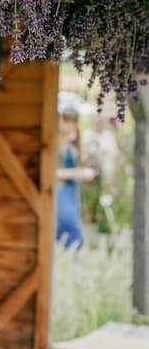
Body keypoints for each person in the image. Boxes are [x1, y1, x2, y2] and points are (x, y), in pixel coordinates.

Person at [56, 101, 96, 249]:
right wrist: (77, 172)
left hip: (72, 191)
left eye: (73, 120)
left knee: (73, 235)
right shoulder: (54, 142)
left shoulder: (74, 142)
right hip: (59, 190)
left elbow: (80, 163)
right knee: (71, 233)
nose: (69, 124)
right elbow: (52, 173)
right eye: (66, 119)